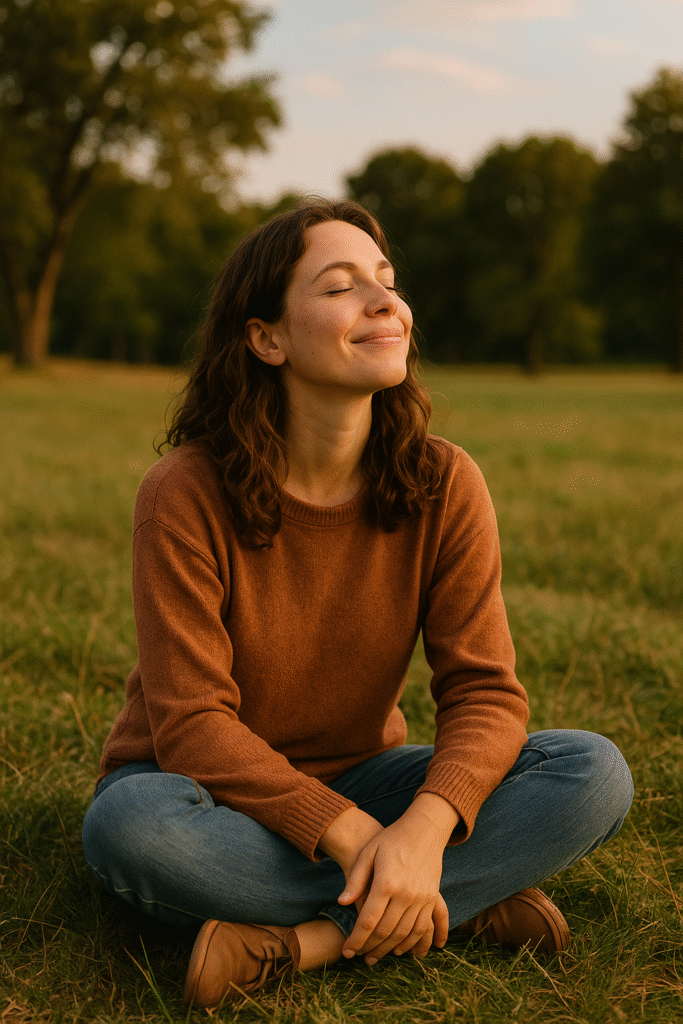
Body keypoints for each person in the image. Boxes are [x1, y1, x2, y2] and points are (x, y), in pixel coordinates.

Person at [82, 199, 633, 1009]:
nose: (384, 302)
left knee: (590, 770)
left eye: (387, 281)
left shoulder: (444, 482)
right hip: (197, 789)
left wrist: (419, 830)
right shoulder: (184, 493)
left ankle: (303, 941)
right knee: (130, 829)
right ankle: (454, 904)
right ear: (266, 338)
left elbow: (483, 694)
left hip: (365, 774)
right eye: (341, 287)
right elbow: (193, 724)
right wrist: (358, 840)